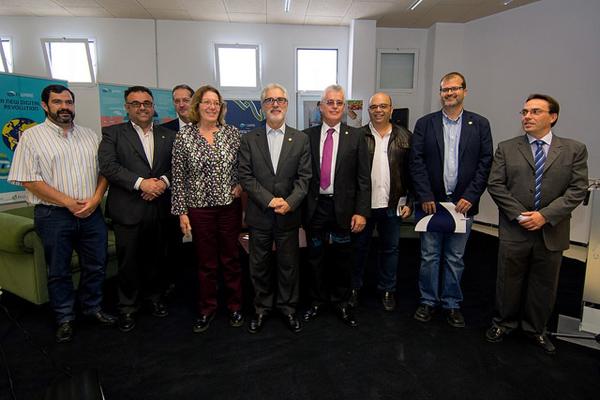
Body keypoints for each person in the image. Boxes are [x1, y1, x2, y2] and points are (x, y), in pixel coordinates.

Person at [8, 84, 115, 343]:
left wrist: (96, 198)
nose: (64, 107)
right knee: (58, 270)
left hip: (91, 213)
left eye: (68, 102)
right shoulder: (31, 137)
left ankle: (92, 307)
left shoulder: (90, 136)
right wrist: (68, 202)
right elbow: (29, 180)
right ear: (45, 106)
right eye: (57, 102)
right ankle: (65, 317)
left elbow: (105, 171)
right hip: (54, 215)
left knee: (96, 265)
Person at [485, 94, 588, 354]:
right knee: (508, 280)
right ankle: (503, 323)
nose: (527, 117)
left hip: (552, 229)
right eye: (524, 112)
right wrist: (520, 215)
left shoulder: (574, 149)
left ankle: (535, 329)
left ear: (552, 117)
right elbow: (496, 184)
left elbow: (577, 189)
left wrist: (545, 216)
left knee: (544, 283)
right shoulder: (507, 148)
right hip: (514, 227)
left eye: (535, 112)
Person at [409, 72, 493, 328]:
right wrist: (424, 195)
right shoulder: (426, 124)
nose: (449, 93)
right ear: (440, 93)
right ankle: (427, 301)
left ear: (465, 91)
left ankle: (452, 303)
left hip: (462, 204)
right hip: (431, 202)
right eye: (445, 89)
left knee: (455, 257)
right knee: (429, 255)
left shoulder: (479, 124)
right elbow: (416, 161)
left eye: (454, 88)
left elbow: (485, 162)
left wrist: (471, 195)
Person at [98, 86, 175, 332]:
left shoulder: (168, 135)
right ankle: (128, 307)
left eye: (147, 103)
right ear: (127, 107)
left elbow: (178, 167)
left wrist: (162, 182)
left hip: (160, 207)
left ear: (153, 107)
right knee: (128, 261)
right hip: (128, 209)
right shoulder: (113, 134)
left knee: (157, 258)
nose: (142, 107)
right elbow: (108, 167)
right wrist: (142, 183)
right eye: (136, 103)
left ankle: (153, 298)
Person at [239, 83, 311, 334]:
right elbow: (246, 176)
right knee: (259, 265)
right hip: (260, 215)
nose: (275, 104)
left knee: (288, 265)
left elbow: (305, 178)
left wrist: (289, 202)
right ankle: (261, 309)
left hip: (288, 216)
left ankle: (288, 308)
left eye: (280, 100)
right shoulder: (249, 139)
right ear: (262, 106)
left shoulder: (301, 139)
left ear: (287, 105)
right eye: (270, 100)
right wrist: (270, 200)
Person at [171, 85, 244, 333]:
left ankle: (235, 306)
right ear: (197, 106)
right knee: (206, 263)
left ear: (221, 108)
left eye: (216, 103)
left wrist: (241, 184)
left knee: (231, 259)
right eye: (207, 102)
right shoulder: (184, 136)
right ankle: (207, 309)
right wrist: (182, 213)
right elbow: (178, 177)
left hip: (228, 208)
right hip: (199, 209)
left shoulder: (232, 134)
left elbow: (246, 166)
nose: (212, 107)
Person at [302, 84, 371, 328]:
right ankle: (317, 302)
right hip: (315, 208)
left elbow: (364, 179)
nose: (334, 106)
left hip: (344, 209)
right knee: (315, 257)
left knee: (343, 258)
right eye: (329, 102)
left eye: (338, 102)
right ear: (320, 107)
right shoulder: (306, 136)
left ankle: (341, 303)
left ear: (344, 107)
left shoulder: (357, 137)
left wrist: (362, 211)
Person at [351, 92, 412, 311]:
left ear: (391, 109)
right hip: (363, 207)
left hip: (392, 205)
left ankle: (387, 290)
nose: (378, 110)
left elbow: (411, 174)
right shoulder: (357, 136)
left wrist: (410, 201)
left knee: (390, 250)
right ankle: (354, 289)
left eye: (383, 106)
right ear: (368, 110)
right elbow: (350, 175)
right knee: (358, 249)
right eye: (374, 106)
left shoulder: (406, 136)